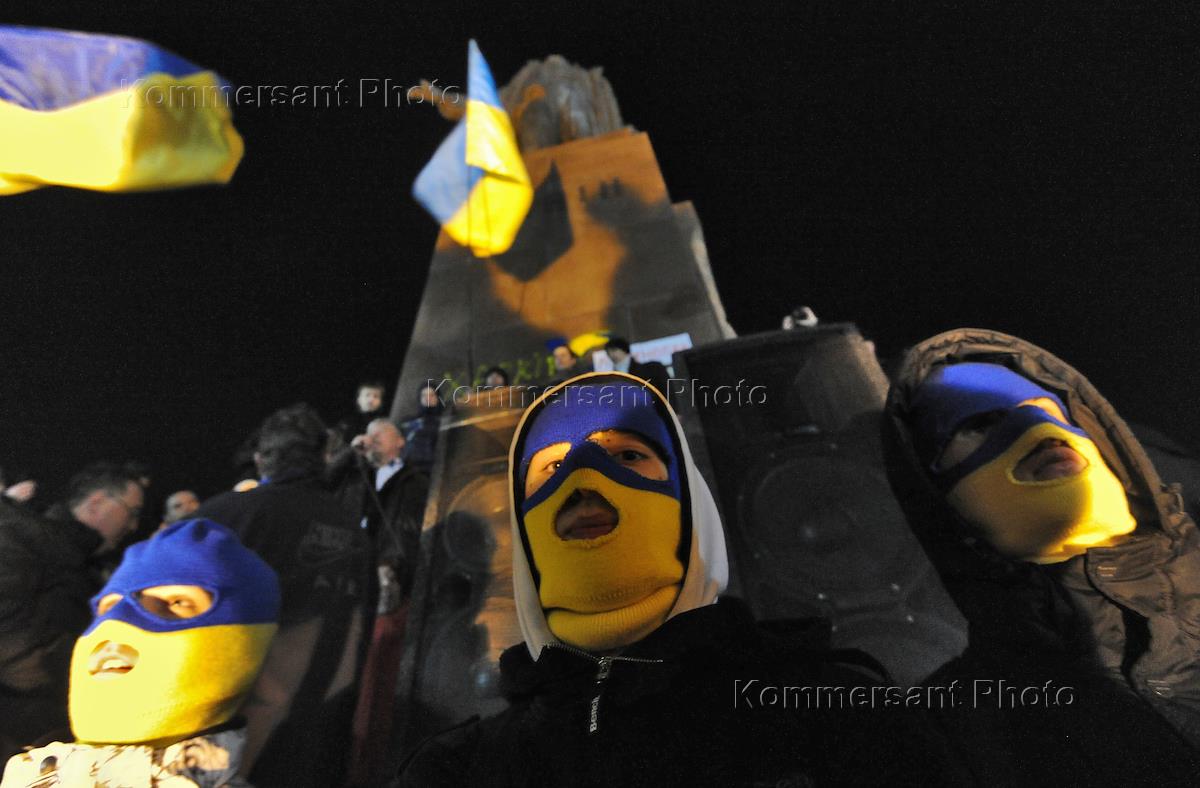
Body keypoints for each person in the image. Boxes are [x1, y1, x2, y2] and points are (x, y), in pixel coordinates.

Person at [401, 373, 952, 786]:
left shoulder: (834, 714)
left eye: (626, 455)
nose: (585, 478)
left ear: (689, 500)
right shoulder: (460, 771)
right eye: (552, 466)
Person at [883, 328, 1200, 780]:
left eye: (1050, 410)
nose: (1040, 430)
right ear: (935, 496)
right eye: (980, 424)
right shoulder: (954, 728)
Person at [1, 518, 280, 787]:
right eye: (110, 606)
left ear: (246, 648)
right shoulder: (30, 767)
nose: (116, 623)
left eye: (176, 603)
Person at [194, 403, 370, 788]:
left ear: (261, 459)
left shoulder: (222, 516)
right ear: (324, 455)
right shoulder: (357, 535)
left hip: (221, 742)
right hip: (317, 745)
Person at [0, 463, 143, 762]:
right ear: (96, 502)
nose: (132, 526)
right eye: (131, 512)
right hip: (28, 737)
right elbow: (14, 642)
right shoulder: (22, 536)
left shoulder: (77, 555)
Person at [345, 418, 429, 786]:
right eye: (368, 434)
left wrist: (393, 567)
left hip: (390, 584)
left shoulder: (415, 482)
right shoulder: (356, 478)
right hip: (353, 582)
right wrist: (349, 456)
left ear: (399, 442)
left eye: (379, 434)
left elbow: (409, 532)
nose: (371, 440)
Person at [399, 383, 444, 474]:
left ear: (438, 398)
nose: (427, 398)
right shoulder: (408, 422)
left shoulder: (443, 420)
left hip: (432, 468)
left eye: (432, 395)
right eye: (424, 395)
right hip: (407, 467)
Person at [604, 335, 670, 397]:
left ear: (624, 349)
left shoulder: (653, 369)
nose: (611, 355)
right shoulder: (612, 378)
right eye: (608, 353)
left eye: (614, 350)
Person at [336, 379, 388, 445]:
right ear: (358, 399)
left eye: (376, 396)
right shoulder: (347, 422)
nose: (371, 399)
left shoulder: (384, 423)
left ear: (381, 402)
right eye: (367, 395)